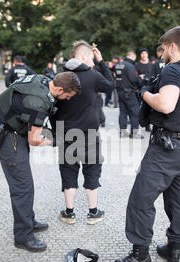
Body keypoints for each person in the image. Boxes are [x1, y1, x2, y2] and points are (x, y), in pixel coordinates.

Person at [114, 26, 180, 262]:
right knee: (179, 199)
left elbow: (166, 104)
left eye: (163, 49)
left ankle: (140, 256)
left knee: (141, 199)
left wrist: (146, 94)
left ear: (172, 47)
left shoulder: (172, 70)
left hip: (165, 147)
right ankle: (174, 249)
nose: (161, 54)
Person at [0, 72, 81, 252]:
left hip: (12, 128)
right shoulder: (38, 103)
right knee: (22, 187)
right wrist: (56, 142)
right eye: (68, 96)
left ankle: (28, 220)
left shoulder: (44, 80)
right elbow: (35, 139)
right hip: (8, 137)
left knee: (25, 184)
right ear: (60, 89)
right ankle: (23, 237)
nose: (68, 99)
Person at [54, 41, 114, 226]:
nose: (93, 62)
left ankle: (69, 213)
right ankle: (93, 213)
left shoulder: (60, 77)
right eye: (91, 58)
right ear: (83, 57)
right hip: (89, 133)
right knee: (92, 169)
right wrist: (102, 62)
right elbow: (111, 85)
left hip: (66, 133)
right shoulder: (93, 75)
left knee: (68, 171)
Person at [115, 50, 144, 138]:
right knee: (135, 112)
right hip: (129, 92)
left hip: (120, 91)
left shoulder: (118, 65)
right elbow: (134, 79)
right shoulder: (130, 66)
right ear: (133, 57)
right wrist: (140, 78)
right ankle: (134, 133)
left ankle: (122, 132)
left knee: (123, 112)